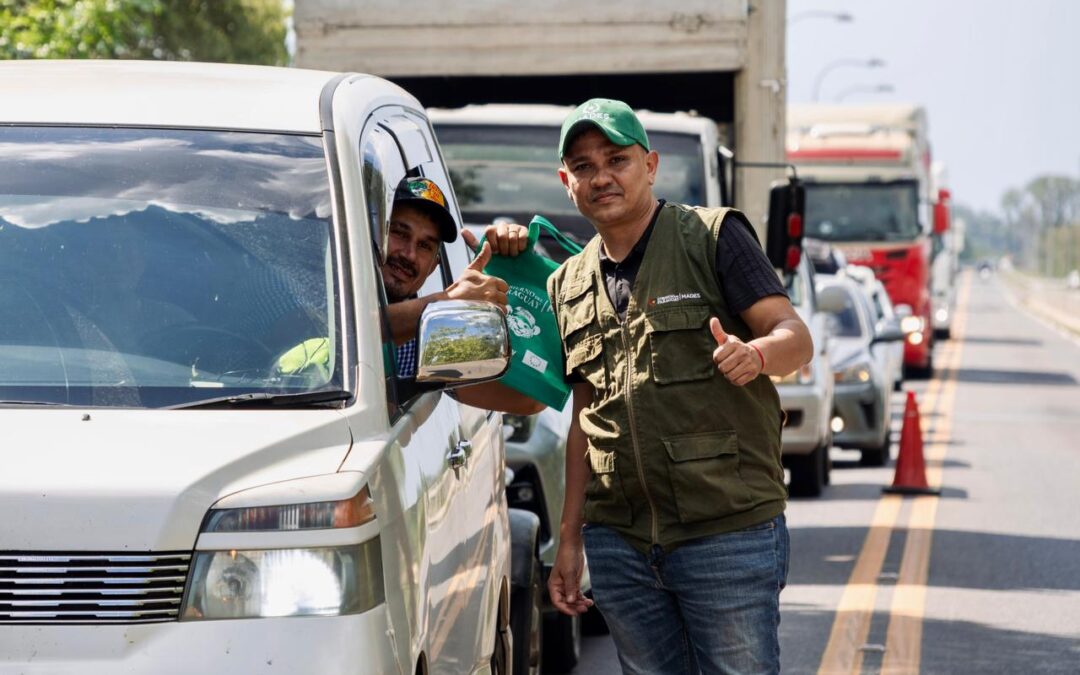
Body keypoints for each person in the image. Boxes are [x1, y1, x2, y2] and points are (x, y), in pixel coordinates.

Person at [545, 99, 813, 674]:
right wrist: (570, 541)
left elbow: (795, 335)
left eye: (617, 159)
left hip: (726, 532)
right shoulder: (565, 284)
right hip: (620, 543)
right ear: (567, 181)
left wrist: (757, 354)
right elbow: (584, 419)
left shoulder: (713, 236)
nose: (602, 176)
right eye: (584, 166)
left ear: (651, 165)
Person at [380, 176, 543, 414]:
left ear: (434, 266)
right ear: (372, 236)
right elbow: (353, 334)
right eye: (400, 233)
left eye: (425, 246)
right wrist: (450, 300)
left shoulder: (427, 338)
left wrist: (518, 276)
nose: (409, 254)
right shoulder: (322, 294)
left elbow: (531, 399)